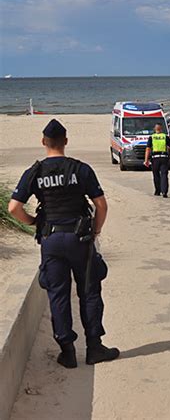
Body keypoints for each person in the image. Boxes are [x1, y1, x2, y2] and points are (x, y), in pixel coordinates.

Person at [8, 119, 119, 369]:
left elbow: (13, 208)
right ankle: (94, 348)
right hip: (80, 239)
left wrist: (34, 222)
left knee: (58, 294)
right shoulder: (80, 169)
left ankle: (67, 352)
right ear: (66, 141)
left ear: (43, 142)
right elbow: (101, 204)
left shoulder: (34, 172)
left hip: (51, 240)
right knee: (89, 291)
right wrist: (97, 229)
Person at [145, 123, 170, 197]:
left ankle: (158, 191)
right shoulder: (165, 137)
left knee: (156, 175)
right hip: (164, 157)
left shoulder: (152, 137)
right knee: (164, 175)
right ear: (161, 129)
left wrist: (146, 160)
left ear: (155, 129)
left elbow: (148, 149)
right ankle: (164, 191)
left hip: (155, 158)